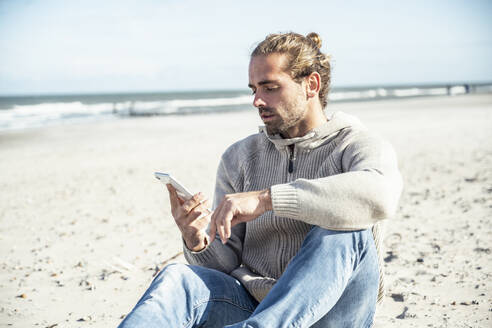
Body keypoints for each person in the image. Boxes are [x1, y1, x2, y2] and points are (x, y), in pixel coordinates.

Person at [119, 32, 403, 328]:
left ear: (311, 85)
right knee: (178, 278)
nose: (257, 100)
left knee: (347, 229)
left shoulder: (358, 144)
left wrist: (268, 199)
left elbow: (380, 196)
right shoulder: (239, 158)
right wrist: (197, 240)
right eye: (254, 89)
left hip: (334, 312)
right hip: (255, 308)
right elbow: (224, 265)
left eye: (270, 88)